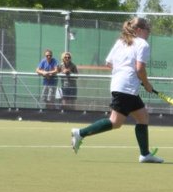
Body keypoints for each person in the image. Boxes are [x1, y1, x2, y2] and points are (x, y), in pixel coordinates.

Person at [70, 16, 164, 163]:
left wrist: (125, 72)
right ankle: (80, 133)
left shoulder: (121, 42)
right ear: (139, 30)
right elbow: (140, 69)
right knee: (115, 122)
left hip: (122, 86)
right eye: (148, 30)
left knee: (143, 117)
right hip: (126, 87)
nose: (149, 33)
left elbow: (108, 63)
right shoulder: (142, 44)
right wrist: (146, 83)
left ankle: (145, 154)